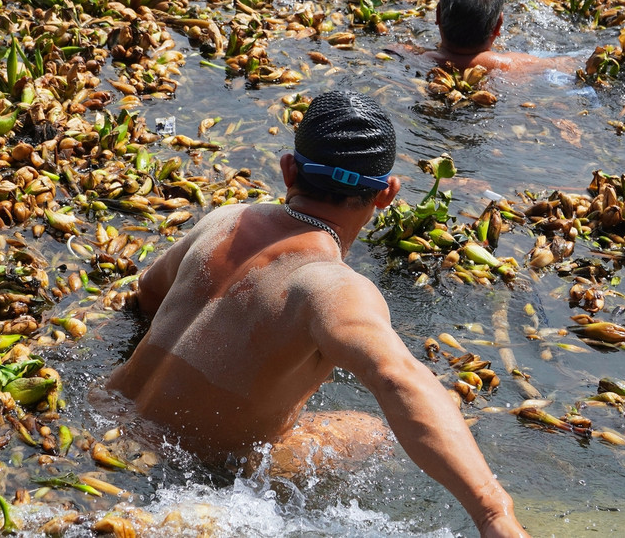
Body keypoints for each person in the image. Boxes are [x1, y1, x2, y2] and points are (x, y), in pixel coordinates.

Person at [105, 90, 531, 538]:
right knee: (369, 431)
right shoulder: (332, 287)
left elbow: (148, 293)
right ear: (387, 194)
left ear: (289, 169)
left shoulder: (224, 221)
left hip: (109, 420)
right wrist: (492, 512)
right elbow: (397, 378)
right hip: (196, 478)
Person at [419, 0, 576, 74]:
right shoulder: (517, 65)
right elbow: (571, 64)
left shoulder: (416, 56)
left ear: (438, 14)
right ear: (498, 25)